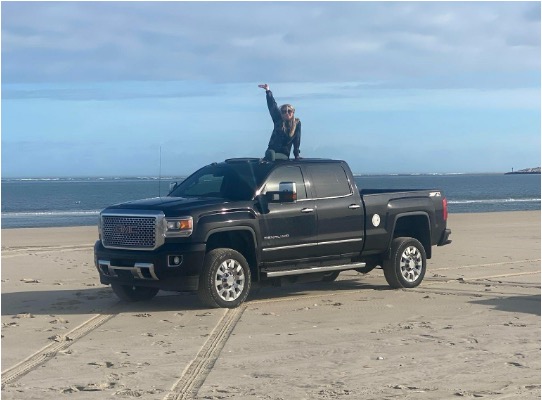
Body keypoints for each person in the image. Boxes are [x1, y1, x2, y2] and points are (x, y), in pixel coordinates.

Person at [258, 83, 301, 161]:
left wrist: (296, 155)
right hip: (271, 151)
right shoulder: (278, 120)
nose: (287, 113)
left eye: (289, 111)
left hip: (283, 154)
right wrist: (268, 91)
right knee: (270, 153)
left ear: (293, 112)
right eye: (284, 111)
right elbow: (272, 105)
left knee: (271, 155)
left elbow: (297, 140)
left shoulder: (297, 123)